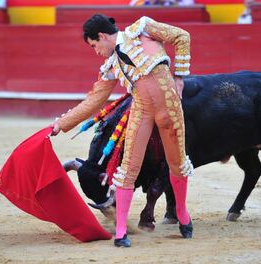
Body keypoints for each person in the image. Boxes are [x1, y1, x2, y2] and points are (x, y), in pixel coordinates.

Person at [50, 14, 194, 247]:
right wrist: (62, 124)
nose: (96, 51)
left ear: (102, 36)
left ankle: (183, 214)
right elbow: (94, 101)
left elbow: (182, 36)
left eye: (94, 45)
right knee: (128, 169)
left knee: (177, 163)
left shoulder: (143, 29)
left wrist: (179, 77)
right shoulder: (110, 66)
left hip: (171, 108)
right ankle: (120, 232)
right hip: (142, 111)